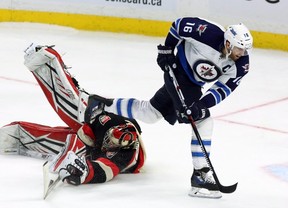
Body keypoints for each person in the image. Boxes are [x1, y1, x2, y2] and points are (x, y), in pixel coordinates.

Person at [88, 17, 253, 198]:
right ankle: (200, 175)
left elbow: (224, 88)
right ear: (228, 42)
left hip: (193, 86)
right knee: (204, 122)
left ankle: (103, 106)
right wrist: (167, 49)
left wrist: (202, 104)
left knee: (150, 113)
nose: (242, 52)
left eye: (245, 49)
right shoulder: (208, 32)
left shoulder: (241, 65)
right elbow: (179, 25)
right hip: (176, 70)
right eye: (239, 47)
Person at [0, 45, 146, 186]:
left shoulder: (127, 154)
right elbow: (90, 118)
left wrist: (84, 173)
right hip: (93, 134)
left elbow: (106, 170)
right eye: (111, 140)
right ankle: (48, 62)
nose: (111, 144)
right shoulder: (109, 123)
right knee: (77, 113)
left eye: (114, 144)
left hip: (94, 152)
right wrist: (85, 136)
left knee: (64, 142)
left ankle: (15, 138)